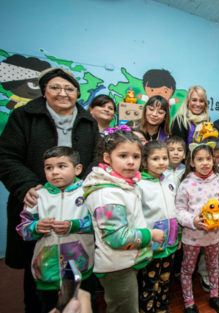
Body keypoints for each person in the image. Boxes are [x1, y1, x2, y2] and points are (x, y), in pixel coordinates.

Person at [0, 67, 99, 313]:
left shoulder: (88, 121)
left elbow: (98, 157)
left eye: (69, 88)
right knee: (37, 268)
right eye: (55, 87)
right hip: (37, 200)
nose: (62, 93)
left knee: (81, 269)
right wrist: (26, 185)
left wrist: (84, 185)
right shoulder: (24, 117)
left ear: (77, 92)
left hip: (78, 201)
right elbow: (6, 155)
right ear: (44, 91)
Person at [82, 128, 164, 313]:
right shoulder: (107, 193)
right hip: (116, 267)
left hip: (126, 260)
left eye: (136, 156)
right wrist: (150, 234)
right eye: (123, 155)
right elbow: (117, 237)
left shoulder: (123, 184)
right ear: (107, 158)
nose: (130, 162)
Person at [16, 147, 96, 313]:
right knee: (50, 308)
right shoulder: (38, 196)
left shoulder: (88, 192)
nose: (55, 172)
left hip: (81, 268)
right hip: (47, 271)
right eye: (49, 168)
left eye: (62, 166)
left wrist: (74, 225)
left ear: (78, 169)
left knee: (85, 306)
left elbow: (98, 223)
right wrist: (36, 227)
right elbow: (22, 229)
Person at [175, 142, 219, 313]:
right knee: (187, 269)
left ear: (214, 161)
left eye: (209, 159)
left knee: (213, 266)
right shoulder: (185, 184)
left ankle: (214, 296)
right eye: (200, 159)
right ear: (192, 162)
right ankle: (189, 303)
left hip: (214, 236)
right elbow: (179, 210)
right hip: (192, 236)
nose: (205, 163)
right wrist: (193, 221)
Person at [138, 140, 181, 313]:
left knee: (165, 280)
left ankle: (162, 308)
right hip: (151, 246)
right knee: (149, 284)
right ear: (145, 161)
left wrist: (178, 236)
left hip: (169, 243)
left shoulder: (169, 182)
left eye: (165, 158)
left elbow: (175, 210)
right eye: (155, 158)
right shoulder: (139, 185)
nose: (162, 162)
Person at [197, 136, 219, 293]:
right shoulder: (198, 174)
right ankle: (204, 274)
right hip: (206, 220)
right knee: (206, 249)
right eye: (215, 157)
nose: (218, 160)